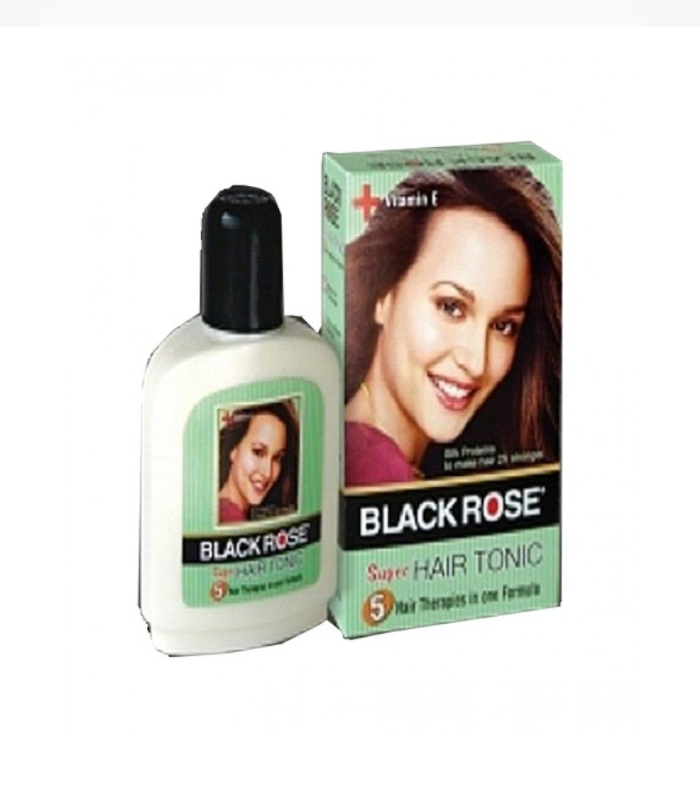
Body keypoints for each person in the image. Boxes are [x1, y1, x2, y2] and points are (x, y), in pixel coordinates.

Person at [344, 167, 561, 487]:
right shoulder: (374, 471)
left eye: (503, 326)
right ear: (383, 295)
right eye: (451, 307)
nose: (476, 363)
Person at [218, 400, 299, 523]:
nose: (267, 473)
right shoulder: (227, 518)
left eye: (277, 458)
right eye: (258, 452)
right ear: (233, 448)